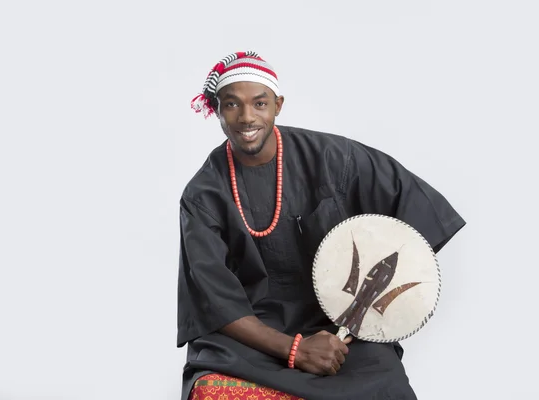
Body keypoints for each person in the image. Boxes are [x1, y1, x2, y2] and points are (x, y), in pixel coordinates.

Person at [176, 51, 465, 400]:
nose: (247, 117)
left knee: (385, 383)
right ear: (219, 110)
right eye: (232, 105)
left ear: (278, 105)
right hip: (250, 336)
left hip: (336, 327)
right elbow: (213, 301)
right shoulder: (201, 195)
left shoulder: (332, 158)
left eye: (260, 103)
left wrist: (363, 308)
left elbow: (416, 210)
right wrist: (295, 350)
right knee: (212, 390)